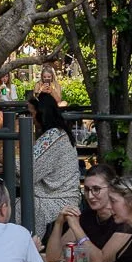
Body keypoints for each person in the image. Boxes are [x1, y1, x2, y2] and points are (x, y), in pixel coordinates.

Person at [46, 161, 132, 262]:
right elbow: (53, 257)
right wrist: (59, 224)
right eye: (87, 190)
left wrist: (76, 227)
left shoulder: (123, 219)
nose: (90, 196)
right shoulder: (87, 215)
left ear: (112, 189)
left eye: (96, 189)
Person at [27, 92, 82, 242]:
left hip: (59, 200)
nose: (30, 119)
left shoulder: (52, 137)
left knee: (17, 208)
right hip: (61, 196)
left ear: (41, 113)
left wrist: (2, 159)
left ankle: (30, 248)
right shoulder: (58, 133)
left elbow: (30, 170)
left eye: (31, 113)